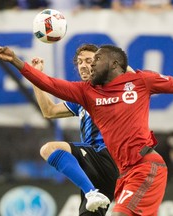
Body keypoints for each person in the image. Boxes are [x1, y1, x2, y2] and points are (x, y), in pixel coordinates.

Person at [0, 44, 173, 216]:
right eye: (84, 62)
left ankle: (92, 192)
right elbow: (50, 86)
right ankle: (91, 192)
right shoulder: (86, 93)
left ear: (115, 64)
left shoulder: (140, 81)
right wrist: (16, 60)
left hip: (145, 167)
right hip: (122, 173)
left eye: (95, 60)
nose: (89, 66)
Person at [31, 44, 119, 215]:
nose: (83, 65)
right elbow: (49, 111)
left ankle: (90, 192)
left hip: (106, 154)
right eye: (79, 62)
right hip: (93, 166)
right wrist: (36, 77)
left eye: (89, 61)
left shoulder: (111, 88)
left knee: (50, 148)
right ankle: (92, 192)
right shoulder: (82, 95)